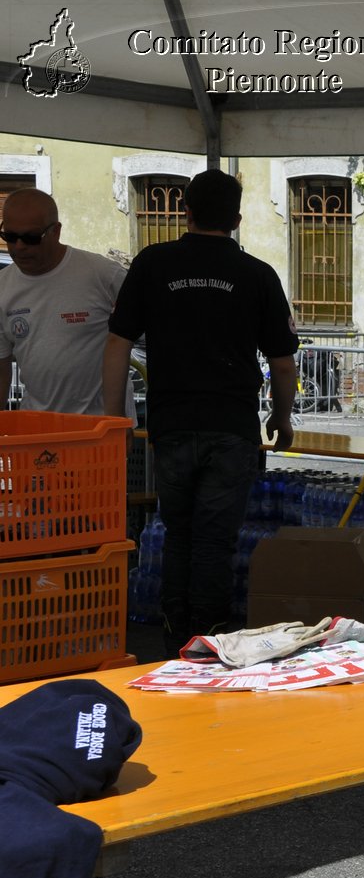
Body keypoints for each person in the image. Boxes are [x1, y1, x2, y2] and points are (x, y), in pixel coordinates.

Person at [102, 169, 298, 657]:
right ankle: (207, 637)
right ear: (236, 218)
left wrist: (114, 418)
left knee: (178, 532)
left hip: (170, 423)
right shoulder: (257, 275)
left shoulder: (152, 264)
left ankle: (174, 631)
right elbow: (282, 361)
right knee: (214, 538)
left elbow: (117, 345)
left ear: (184, 211)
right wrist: (282, 416)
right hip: (231, 426)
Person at [0, 188, 127, 415]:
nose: (19, 246)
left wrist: (118, 421)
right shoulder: (2, 286)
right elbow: (1, 366)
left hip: (100, 429)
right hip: (39, 427)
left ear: (56, 231)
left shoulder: (102, 274)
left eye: (31, 238)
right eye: (9, 237)